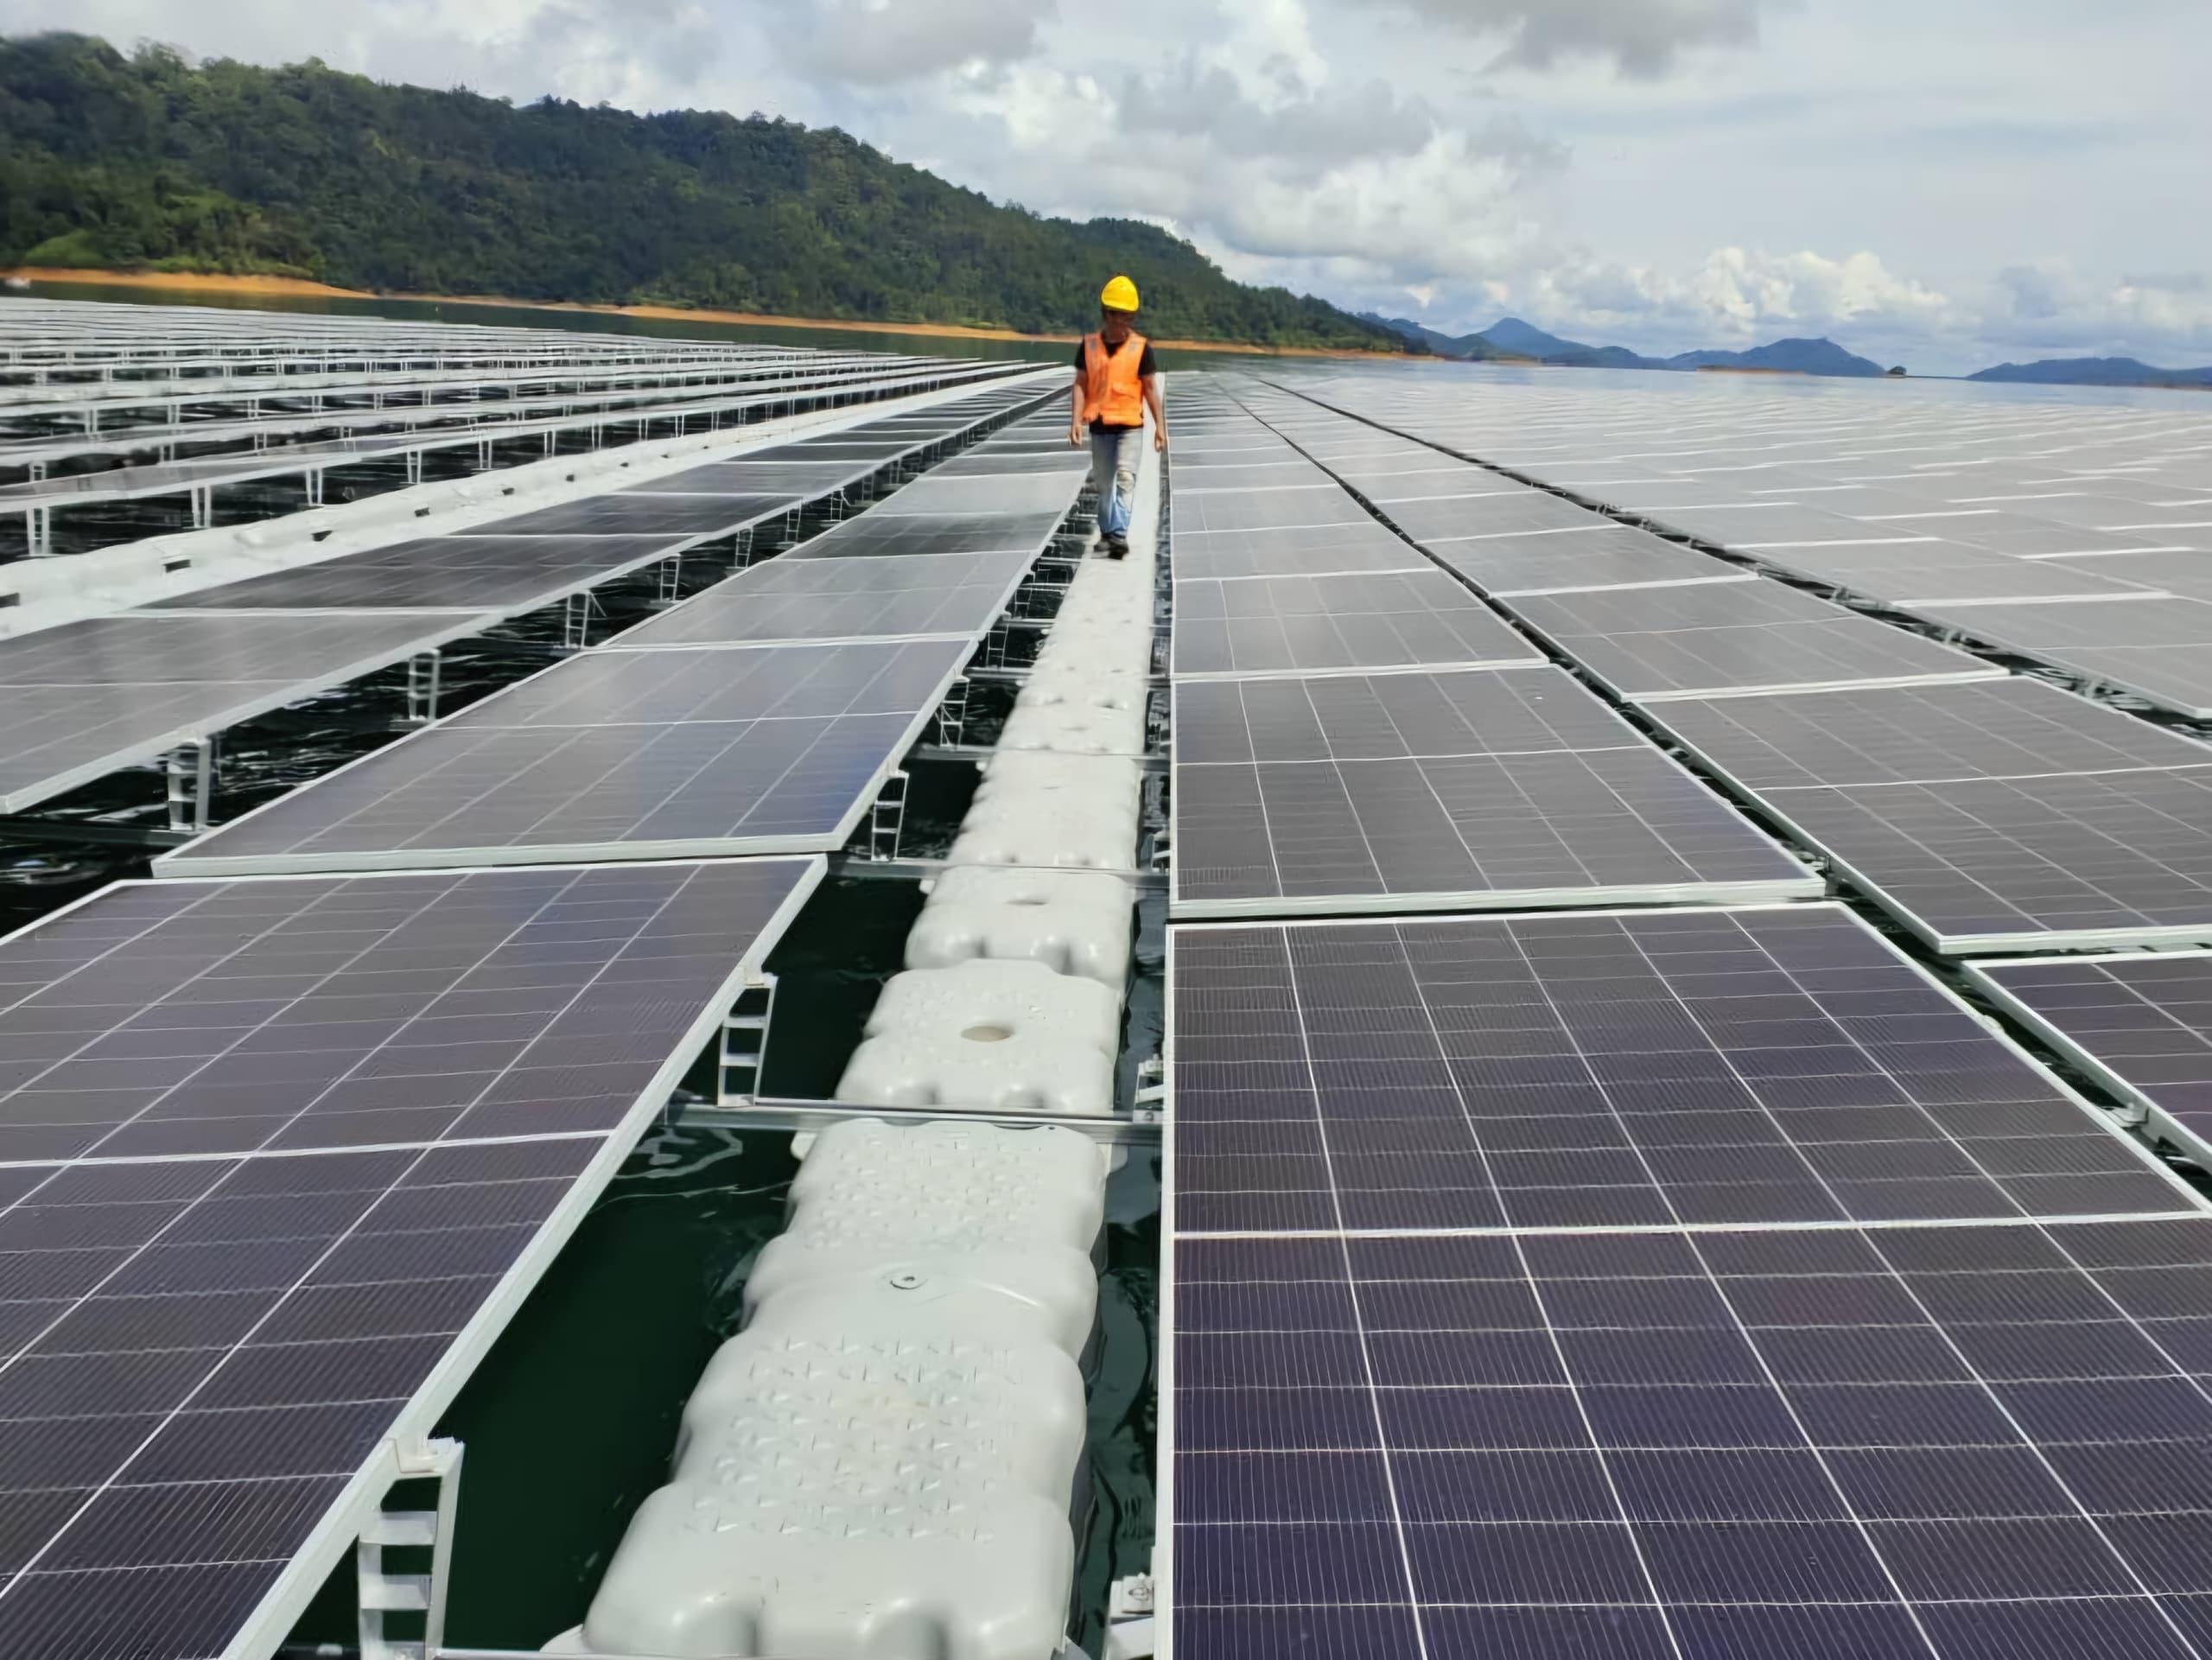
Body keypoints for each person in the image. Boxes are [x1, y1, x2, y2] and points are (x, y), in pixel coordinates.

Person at [1069, 274, 1166, 557]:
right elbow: (1080, 384)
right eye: (1116, 314)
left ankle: (1119, 535)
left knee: (1125, 478)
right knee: (1104, 485)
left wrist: (1160, 426)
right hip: (1100, 426)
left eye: (1126, 316)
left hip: (1130, 426)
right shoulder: (1089, 346)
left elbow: (1150, 389)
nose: (1121, 321)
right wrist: (1075, 420)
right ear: (1105, 314)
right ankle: (1108, 533)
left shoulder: (1141, 348)